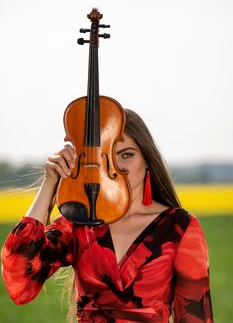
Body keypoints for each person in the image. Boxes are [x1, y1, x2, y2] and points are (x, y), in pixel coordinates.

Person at [1, 109, 213, 322]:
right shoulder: (81, 222)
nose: (117, 166)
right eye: (107, 156)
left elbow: (196, 317)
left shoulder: (180, 227)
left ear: (147, 159)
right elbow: (19, 281)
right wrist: (49, 183)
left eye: (126, 154)